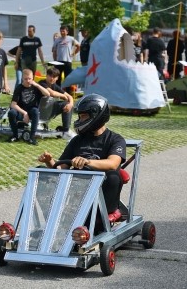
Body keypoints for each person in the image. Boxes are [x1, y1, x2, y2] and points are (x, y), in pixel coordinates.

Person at [37, 94, 126, 223]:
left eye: (83, 116)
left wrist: (87, 162)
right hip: (77, 189)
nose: (79, 120)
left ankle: (99, 220)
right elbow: (61, 168)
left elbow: (113, 163)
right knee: (41, 172)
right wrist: (49, 161)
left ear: (97, 115)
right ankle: (50, 218)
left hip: (102, 193)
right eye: (79, 116)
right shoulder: (77, 140)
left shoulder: (115, 139)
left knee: (113, 176)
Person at [7, 68, 49, 144]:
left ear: (32, 78)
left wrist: (37, 85)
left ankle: (32, 138)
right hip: (21, 112)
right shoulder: (19, 88)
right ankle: (15, 136)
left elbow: (47, 94)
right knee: (11, 112)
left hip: (32, 111)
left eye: (29, 78)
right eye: (25, 79)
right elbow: (13, 104)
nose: (28, 81)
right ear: (22, 79)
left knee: (35, 111)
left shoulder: (36, 87)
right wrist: (24, 113)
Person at [40, 67, 76, 140]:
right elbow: (52, 93)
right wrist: (63, 96)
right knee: (65, 103)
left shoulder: (54, 85)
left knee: (67, 104)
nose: (52, 78)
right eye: (50, 76)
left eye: (54, 77)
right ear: (46, 75)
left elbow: (70, 96)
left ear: (57, 78)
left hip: (49, 110)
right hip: (40, 111)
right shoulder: (42, 83)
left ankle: (66, 130)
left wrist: (71, 104)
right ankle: (65, 131)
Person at [52, 25, 80, 91]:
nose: (62, 33)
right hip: (59, 61)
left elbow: (78, 46)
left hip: (67, 61)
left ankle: (68, 93)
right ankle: (58, 92)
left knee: (67, 78)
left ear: (67, 32)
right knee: (57, 78)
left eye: (63, 31)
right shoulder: (57, 40)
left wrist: (73, 53)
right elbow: (54, 51)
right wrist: (54, 61)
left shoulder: (71, 39)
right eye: (61, 31)